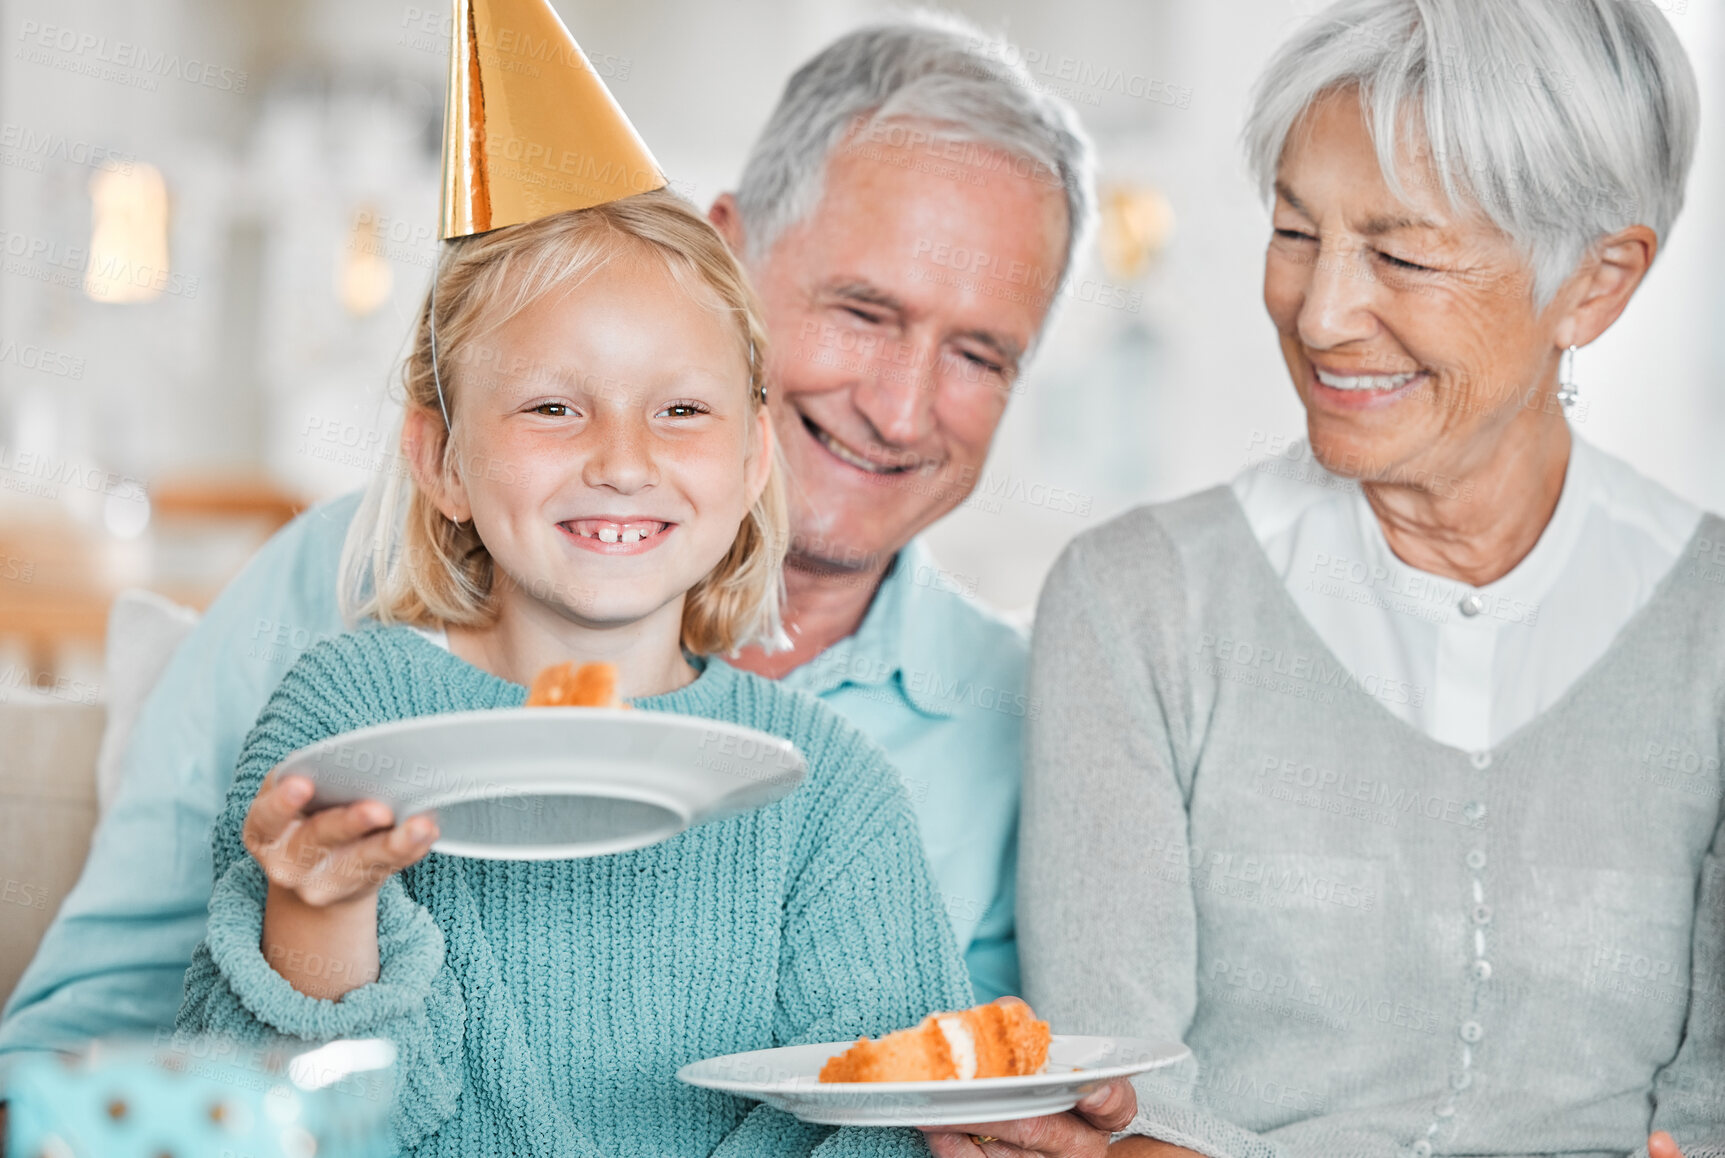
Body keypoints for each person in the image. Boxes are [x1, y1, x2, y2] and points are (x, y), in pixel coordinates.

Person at [3, 12, 1139, 1155]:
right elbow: (233, 1107)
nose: (623, 459)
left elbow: (885, 1114)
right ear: (439, 456)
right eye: (863, 311)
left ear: (749, 460)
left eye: (979, 353)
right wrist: (315, 915)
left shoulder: (871, 778)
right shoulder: (338, 710)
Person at [1017, 1, 1723, 1156]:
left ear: (1595, 285)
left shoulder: (1709, 628)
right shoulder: (1136, 602)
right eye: (1296, 234)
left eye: (1400, 253)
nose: (1322, 311)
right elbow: (1123, 1112)